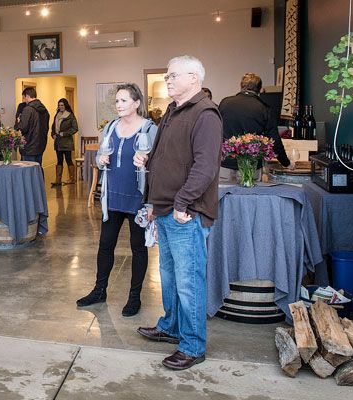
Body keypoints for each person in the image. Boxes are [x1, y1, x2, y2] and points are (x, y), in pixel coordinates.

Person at [135, 56, 222, 371]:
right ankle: (171, 325)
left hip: (186, 212)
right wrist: (148, 161)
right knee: (169, 277)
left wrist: (183, 203)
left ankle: (193, 345)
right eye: (167, 75)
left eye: (173, 75)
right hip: (165, 209)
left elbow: (205, 167)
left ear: (194, 78)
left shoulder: (206, 114)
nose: (168, 79)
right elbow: (171, 156)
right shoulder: (173, 111)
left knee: (189, 281)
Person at [76, 83, 157, 317]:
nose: (119, 105)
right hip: (113, 198)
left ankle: (134, 298)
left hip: (137, 200)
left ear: (136, 103)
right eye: (117, 101)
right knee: (105, 246)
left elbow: (159, 163)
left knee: (138, 249)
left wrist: (148, 165)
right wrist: (101, 160)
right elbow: (102, 155)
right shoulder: (111, 127)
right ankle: (99, 290)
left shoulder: (149, 129)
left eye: (123, 101)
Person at [218, 73, 291, 182]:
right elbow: (274, 139)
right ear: (259, 89)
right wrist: (286, 162)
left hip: (225, 164)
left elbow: (215, 131)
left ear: (241, 86)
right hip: (251, 165)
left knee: (224, 196)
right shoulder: (264, 108)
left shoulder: (225, 103)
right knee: (250, 198)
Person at [14, 87, 49, 169]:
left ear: (27, 96)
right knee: (38, 170)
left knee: (28, 172)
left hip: (29, 146)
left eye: (24, 97)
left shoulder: (28, 109)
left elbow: (23, 128)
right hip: (40, 145)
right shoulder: (44, 110)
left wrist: (18, 122)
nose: (24, 100)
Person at [50, 98, 79, 186]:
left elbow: (75, 128)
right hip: (58, 142)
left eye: (62, 105)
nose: (60, 107)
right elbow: (53, 127)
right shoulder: (57, 115)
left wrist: (64, 134)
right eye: (59, 105)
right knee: (59, 160)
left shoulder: (70, 116)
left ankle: (72, 178)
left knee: (68, 160)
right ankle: (58, 180)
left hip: (66, 142)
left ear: (65, 106)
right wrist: (53, 134)